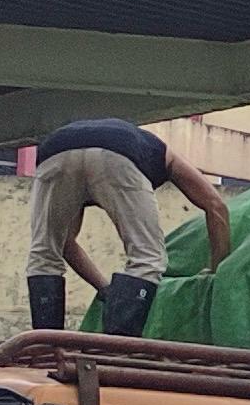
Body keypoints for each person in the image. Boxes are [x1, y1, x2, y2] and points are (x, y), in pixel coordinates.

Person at [23, 115, 229, 333]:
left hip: (55, 152)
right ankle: (118, 348)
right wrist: (218, 271)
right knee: (147, 258)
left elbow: (65, 244)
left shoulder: (85, 167)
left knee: (44, 254)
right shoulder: (167, 157)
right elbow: (216, 206)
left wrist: (104, 288)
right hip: (119, 151)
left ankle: (45, 348)